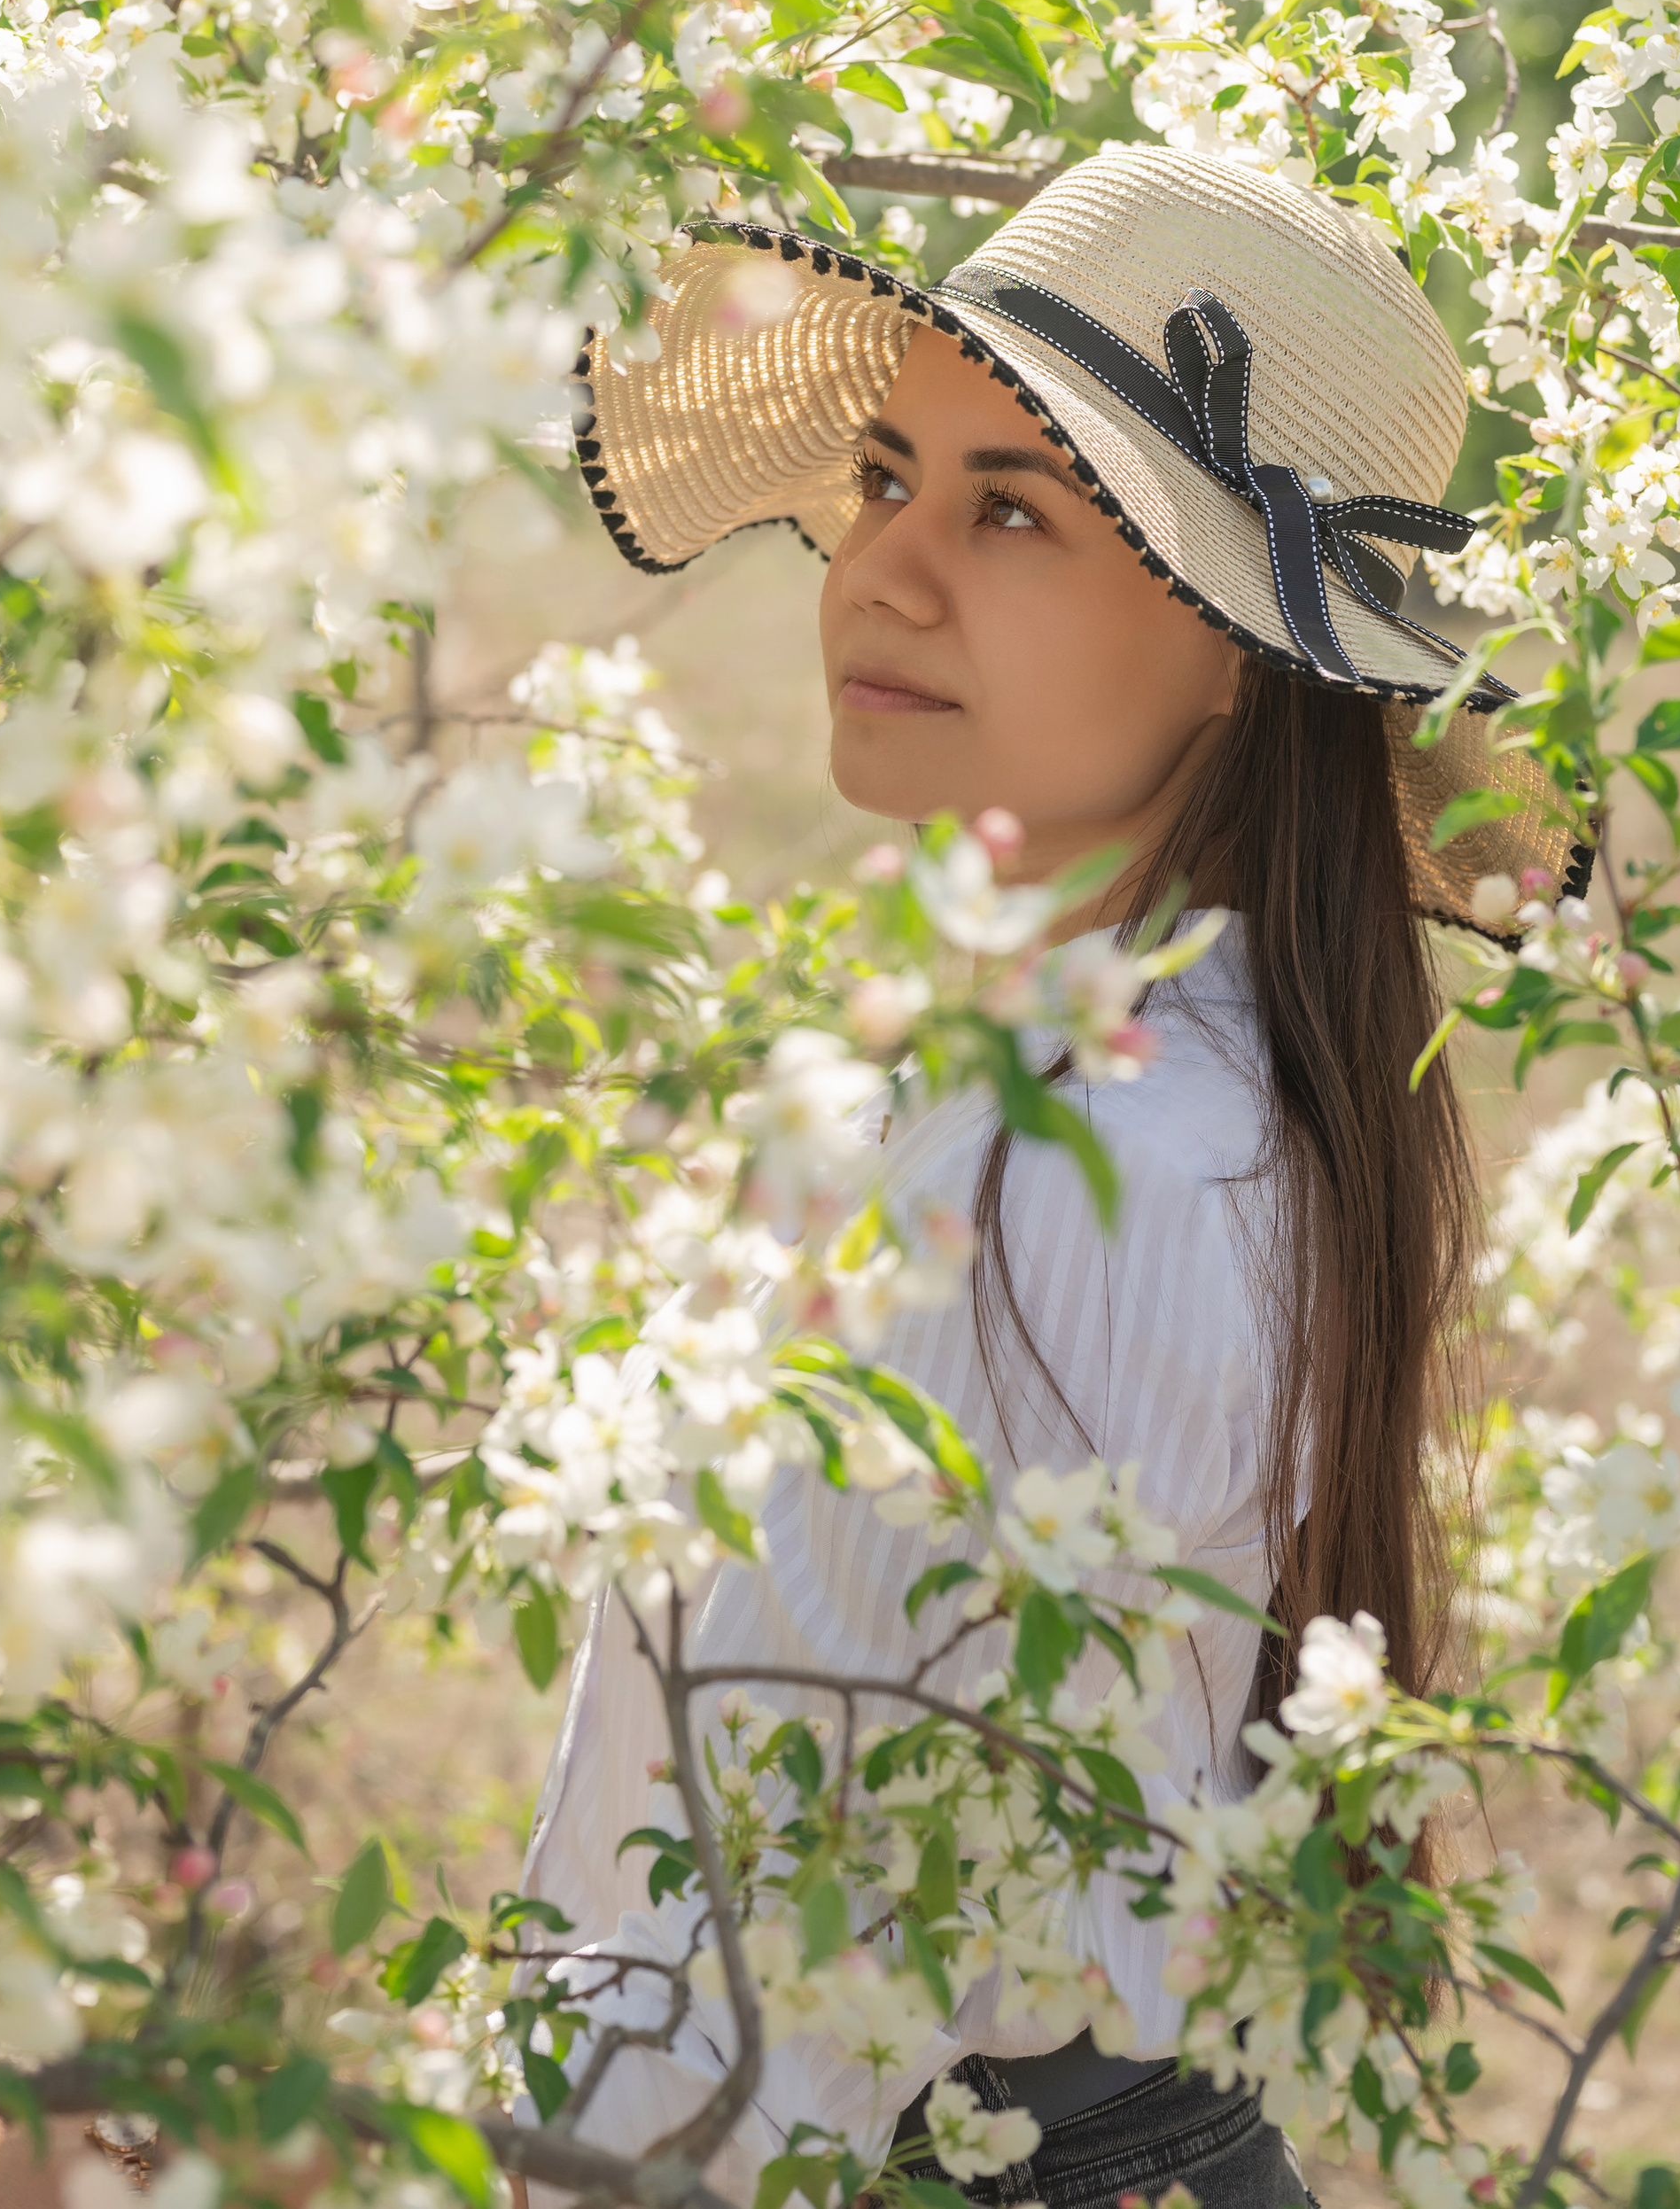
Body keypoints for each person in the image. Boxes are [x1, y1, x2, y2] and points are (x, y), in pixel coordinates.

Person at [527, 140, 1578, 2209]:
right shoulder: (1093, 1085)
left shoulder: (1094, 1163)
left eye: (1012, 509)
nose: (882, 569)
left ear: (1229, 644)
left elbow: (806, 1961)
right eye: (889, 477)